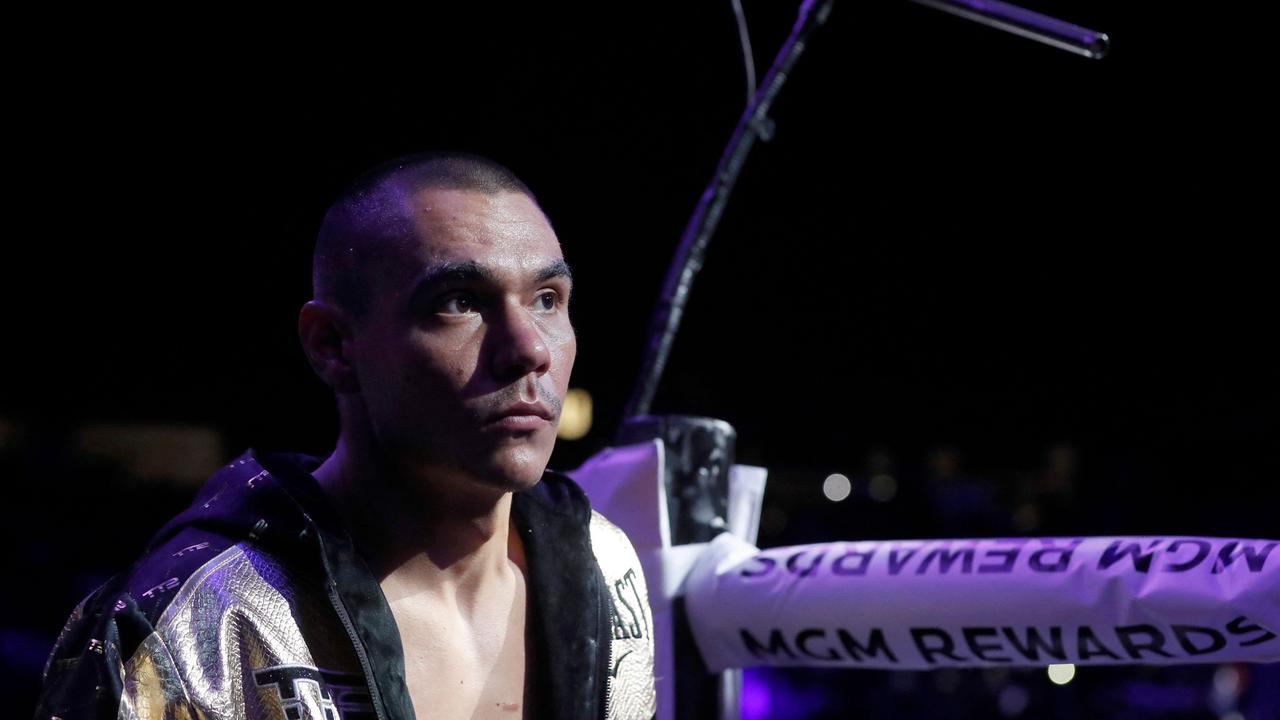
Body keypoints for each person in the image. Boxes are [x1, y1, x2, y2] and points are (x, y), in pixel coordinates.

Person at [34, 152, 657, 720]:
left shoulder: (606, 569)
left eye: (548, 299)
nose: (528, 349)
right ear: (332, 345)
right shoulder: (203, 624)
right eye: (461, 302)